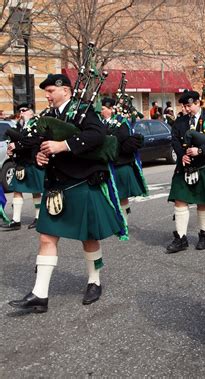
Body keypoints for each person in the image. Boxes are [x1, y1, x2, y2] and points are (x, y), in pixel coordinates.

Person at [8, 74, 124, 313]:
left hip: (81, 182)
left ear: (66, 91)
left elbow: (97, 135)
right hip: (56, 186)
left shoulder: (84, 110)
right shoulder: (48, 117)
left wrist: (64, 145)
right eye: (46, 91)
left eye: (50, 90)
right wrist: (38, 158)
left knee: (89, 236)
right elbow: (38, 145)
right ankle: (40, 295)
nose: (47, 95)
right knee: (46, 237)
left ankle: (94, 281)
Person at [166, 90, 205, 253]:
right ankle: (180, 238)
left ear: (198, 103)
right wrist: (181, 157)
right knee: (179, 199)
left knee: (203, 201)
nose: (186, 109)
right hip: (185, 167)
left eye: (189, 106)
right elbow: (175, 140)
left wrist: (200, 151)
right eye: (184, 106)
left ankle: (204, 234)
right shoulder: (180, 121)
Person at [100, 97, 148, 219]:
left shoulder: (121, 122)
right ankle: (114, 219)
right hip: (104, 165)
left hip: (119, 164)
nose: (100, 111)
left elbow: (123, 140)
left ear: (111, 109)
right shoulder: (99, 122)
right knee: (107, 194)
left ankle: (123, 220)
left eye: (103, 108)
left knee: (122, 196)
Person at [2, 103, 44, 231]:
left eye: (24, 110)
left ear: (31, 112)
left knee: (35, 191)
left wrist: (17, 145)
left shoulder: (37, 123)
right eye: (20, 110)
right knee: (17, 189)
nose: (21, 113)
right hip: (21, 163)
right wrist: (11, 149)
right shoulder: (19, 125)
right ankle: (16, 220)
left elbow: (34, 141)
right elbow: (16, 140)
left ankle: (38, 218)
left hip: (33, 161)